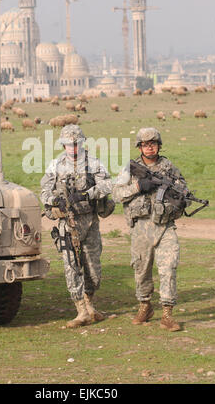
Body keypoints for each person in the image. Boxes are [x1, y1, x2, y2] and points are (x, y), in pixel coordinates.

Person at [112, 127, 188, 332]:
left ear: (159, 145)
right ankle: (145, 306)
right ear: (140, 147)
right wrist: (138, 187)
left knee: (169, 267)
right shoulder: (130, 169)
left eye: (153, 143)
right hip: (141, 227)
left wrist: (180, 197)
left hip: (165, 226)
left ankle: (167, 314)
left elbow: (183, 190)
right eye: (145, 144)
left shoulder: (168, 167)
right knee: (141, 270)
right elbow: (116, 194)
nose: (150, 148)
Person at [41, 124, 112, 328]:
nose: (72, 148)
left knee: (93, 268)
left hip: (89, 221)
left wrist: (87, 194)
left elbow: (108, 184)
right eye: (68, 144)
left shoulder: (94, 163)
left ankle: (90, 303)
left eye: (76, 144)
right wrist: (55, 201)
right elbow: (44, 190)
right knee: (71, 265)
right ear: (63, 145)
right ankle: (80, 309)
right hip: (68, 222)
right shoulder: (55, 165)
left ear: (81, 143)